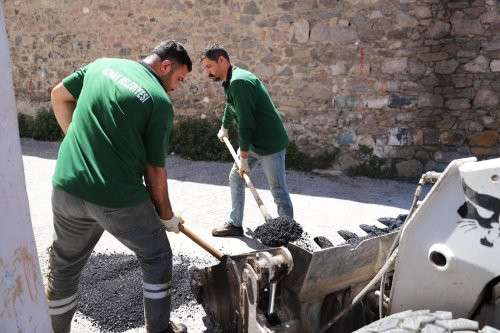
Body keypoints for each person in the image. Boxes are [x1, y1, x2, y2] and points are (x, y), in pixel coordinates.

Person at [48, 40, 191, 333]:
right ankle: (160, 330)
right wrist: (166, 216)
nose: (176, 87)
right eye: (179, 78)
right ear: (165, 66)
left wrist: (79, 143)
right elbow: (154, 171)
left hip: (66, 187)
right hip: (116, 198)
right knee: (156, 256)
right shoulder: (158, 101)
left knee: (64, 266)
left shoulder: (101, 64)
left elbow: (59, 96)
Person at [200, 43, 294, 237]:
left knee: (278, 190)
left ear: (222, 61)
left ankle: (288, 233)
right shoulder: (230, 79)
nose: (207, 71)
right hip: (252, 142)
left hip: (269, 143)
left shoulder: (239, 82)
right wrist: (224, 127)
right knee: (236, 177)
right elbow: (230, 105)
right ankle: (235, 224)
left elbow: (246, 124)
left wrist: (243, 158)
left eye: (209, 66)